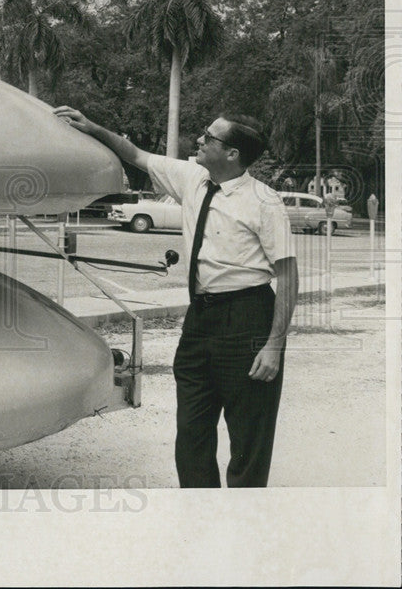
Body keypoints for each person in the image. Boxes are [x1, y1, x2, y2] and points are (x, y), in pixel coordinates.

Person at [54, 107, 298, 487]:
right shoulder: (193, 178)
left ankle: (244, 532)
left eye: (209, 137)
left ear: (232, 153)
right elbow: (135, 154)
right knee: (192, 434)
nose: (199, 140)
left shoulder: (264, 202)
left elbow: (288, 274)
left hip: (248, 315)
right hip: (200, 318)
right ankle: (198, 523)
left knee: (249, 439)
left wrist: (274, 345)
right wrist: (92, 126)